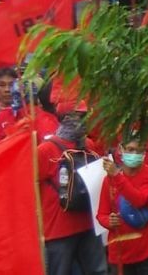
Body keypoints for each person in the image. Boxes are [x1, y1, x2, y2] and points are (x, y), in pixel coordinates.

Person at [38, 101, 108, 275]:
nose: (86, 120)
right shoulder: (45, 150)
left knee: (98, 271)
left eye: (86, 116)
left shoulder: (89, 145)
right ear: (66, 118)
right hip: (58, 229)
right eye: (81, 116)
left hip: (88, 224)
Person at [96, 135, 148, 275]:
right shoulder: (108, 181)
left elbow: (139, 200)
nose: (134, 154)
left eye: (139, 151)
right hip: (121, 254)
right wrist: (108, 221)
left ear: (144, 152)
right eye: (130, 149)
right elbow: (101, 214)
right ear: (121, 149)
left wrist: (117, 176)